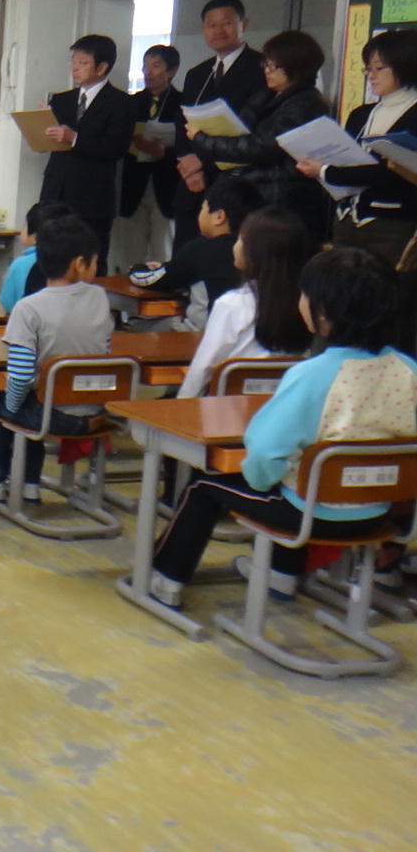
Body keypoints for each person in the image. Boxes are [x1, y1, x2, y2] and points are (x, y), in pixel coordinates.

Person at [148, 247, 417, 608]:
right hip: (380, 512)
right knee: (300, 471)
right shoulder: (409, 370)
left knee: (207, 484)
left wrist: (263, 481)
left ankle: (166, 581)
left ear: (323, 312)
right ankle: (280, 575)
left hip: (311, 514)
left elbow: (264, 452)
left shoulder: (312, 375)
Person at [0, 216, 112, 505]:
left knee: (6, 402)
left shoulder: (28, 309)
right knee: (31, 401)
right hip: (97, 412)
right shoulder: (99, 297)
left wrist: (12, 409)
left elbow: (21, 375)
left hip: (54, 415)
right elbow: (105, 350)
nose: (96, 267)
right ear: (78, 264)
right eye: (95, 261)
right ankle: (29, 484)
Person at [188, 30, 332, 247]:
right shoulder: (268, 94)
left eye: (274, 66)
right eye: (266, 64)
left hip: (281, 200)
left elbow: (263, 146)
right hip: (256, 192)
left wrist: (205, 140)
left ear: (296, 67)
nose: (267, 70)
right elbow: (243, 129)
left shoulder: (306, 102)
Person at [300, 29, 417, 268]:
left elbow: (391, 171)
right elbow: (346, 160)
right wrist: (325, 167)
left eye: (379, 68)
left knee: (385, 285)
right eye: (367, 69)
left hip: (392, 222)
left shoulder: (413, 113)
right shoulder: (361, 114)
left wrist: (326, 171)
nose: (371, 75)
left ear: (405, 65)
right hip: (346, 219)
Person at [177, 206, 312, 398]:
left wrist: (183, 403)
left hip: (229, 410)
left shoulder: (233, 304)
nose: (235, 246)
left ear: (257, 252)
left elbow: (203, 368)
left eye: (241, 240)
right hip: (286, 407)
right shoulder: (309, 303)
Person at [174, 0, 270, 249]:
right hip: (193, 185)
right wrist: (187, 163)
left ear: (244, 24)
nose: (218, 31)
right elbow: (182, 120)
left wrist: (202, 161)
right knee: (187, 254)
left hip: (235, 182)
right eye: (211, 25)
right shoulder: (197, 74)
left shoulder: (262, 69)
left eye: (227, 23)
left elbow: (256, 129)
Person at [39, 34, 135, 270]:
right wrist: (40, 124)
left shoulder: (121, 102)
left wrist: (75, 138)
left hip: (92, 197)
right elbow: (48, 144)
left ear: (102, 67)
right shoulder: (61, 100)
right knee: (52, 259)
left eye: (83, 62)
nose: (75, 67)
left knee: (91, 260)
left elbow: (116, 148)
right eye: (73, 61)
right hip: (55, 191)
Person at [128, 175, 264, 325]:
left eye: (203, 208)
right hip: (256, 332)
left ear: (219, 217)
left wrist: (137, 268)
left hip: (206, 332)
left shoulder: (201, 249)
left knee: (137, 327)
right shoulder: (263, 248)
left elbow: (150, 279)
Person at [116, 44, 185, 269]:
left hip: (167, 182)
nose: (148, 72)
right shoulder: (130, 103)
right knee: (130, 251)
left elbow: (190, 144)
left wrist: (164, 151)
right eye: (145, 66)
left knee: (163, 251)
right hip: (134, 181)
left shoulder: (183, 103)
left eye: (156, 66)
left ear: (172, 71)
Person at [0, 201, 76, 313]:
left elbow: (7, 304)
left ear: (36, 237)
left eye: (24, 226)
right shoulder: (74, 262)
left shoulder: (20, 264)